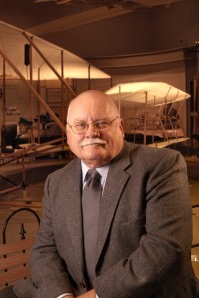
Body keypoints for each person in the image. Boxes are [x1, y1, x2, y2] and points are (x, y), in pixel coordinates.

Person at [1, 90, 198, 297]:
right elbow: (45, 249)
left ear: (120, 128)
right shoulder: (56, 181)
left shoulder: (161, 165)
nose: (91, 132)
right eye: (80, 125)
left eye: (102, 123)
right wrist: (62, 295)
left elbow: (164, 248)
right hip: (71, 290)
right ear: (68, 134)